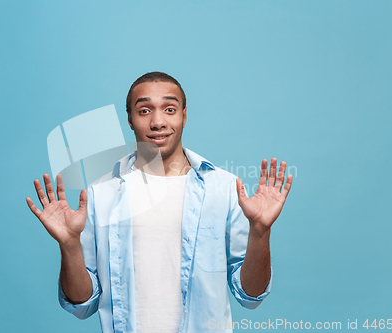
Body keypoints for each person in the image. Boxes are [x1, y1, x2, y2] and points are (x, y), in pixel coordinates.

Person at [26, 72, 293, 333]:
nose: (157, 122)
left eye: (169, 109)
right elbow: (82, 304)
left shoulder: (224, 188)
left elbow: (251, 295)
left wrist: (260, 230)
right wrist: (69, 245)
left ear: (184, 116)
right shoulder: (101, 193)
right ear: (129, 120)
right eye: (144, 111)